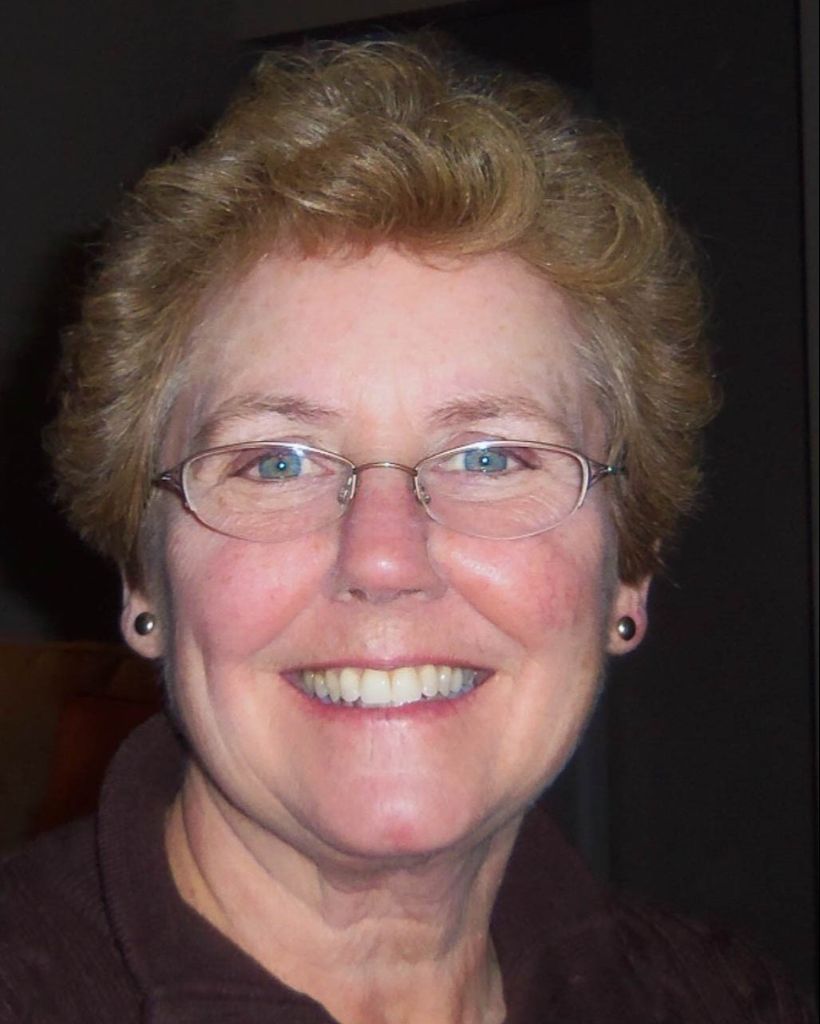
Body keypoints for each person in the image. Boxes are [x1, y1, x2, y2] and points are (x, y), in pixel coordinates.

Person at [0, 36, 810, 1024]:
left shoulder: (726, 1000)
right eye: (276, 461)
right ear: (144, 578)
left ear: (629, 566)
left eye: (492, 458)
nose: (383, 558)